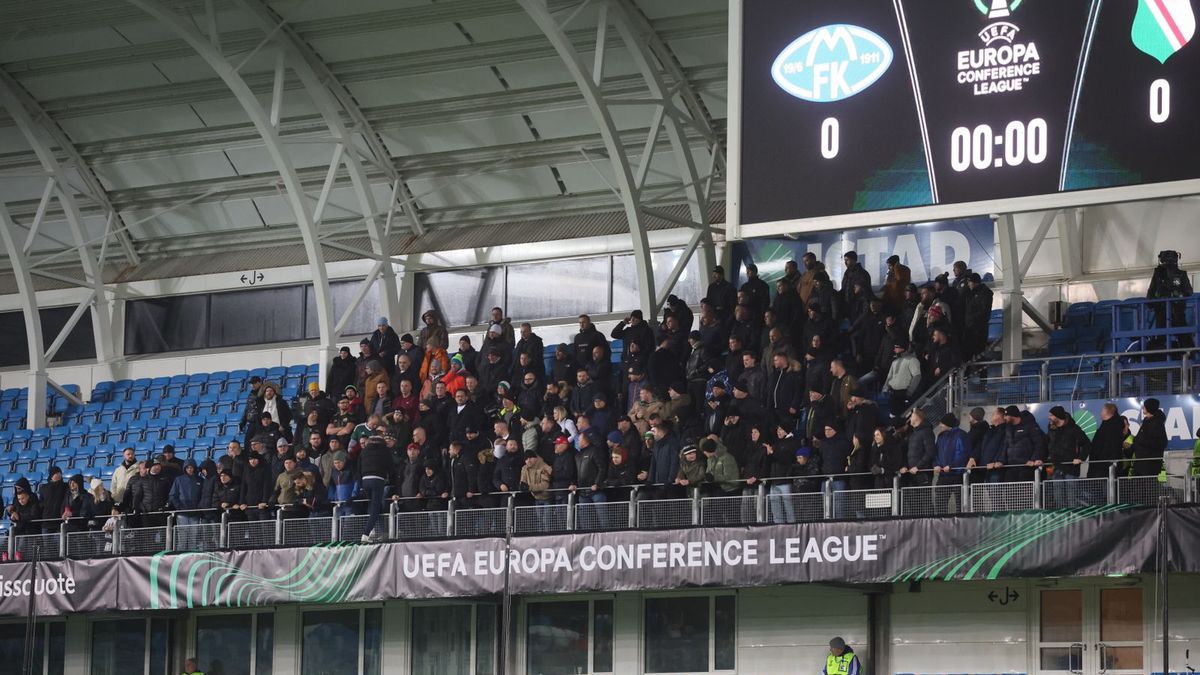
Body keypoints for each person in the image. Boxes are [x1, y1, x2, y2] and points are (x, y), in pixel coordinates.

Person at [1147, 250, 1194, 350]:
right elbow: (1151, 293)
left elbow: (1188, 291)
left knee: (1182, 334)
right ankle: (1161, 355)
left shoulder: (1181, 274)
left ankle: (1189, 353)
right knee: (1162, 334)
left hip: (1177, 309)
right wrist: (1153, 301)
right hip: (1161, 309)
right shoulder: (1158, 274)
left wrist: (1178, 295)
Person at [359, 435, 393, 542]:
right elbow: (390, 467)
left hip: (365, 480)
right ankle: (366, 533)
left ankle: (375, 530)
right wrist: (391, 481)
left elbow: (358, 467)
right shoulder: (385, 451)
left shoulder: (364, 451)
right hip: (377, 480)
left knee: (372, 505)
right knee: (375, 506)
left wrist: (361, 482)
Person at [1130, 398, 1168, 477]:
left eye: (1144, 406)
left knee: (1147, 487)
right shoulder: (1146, 421)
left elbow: (1161, 443)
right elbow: (1140, 439)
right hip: (1141, 464)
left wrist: (1141, 440)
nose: (1142, 408)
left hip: (1149, 466)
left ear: (1149, 408)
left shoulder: (1157, 424)